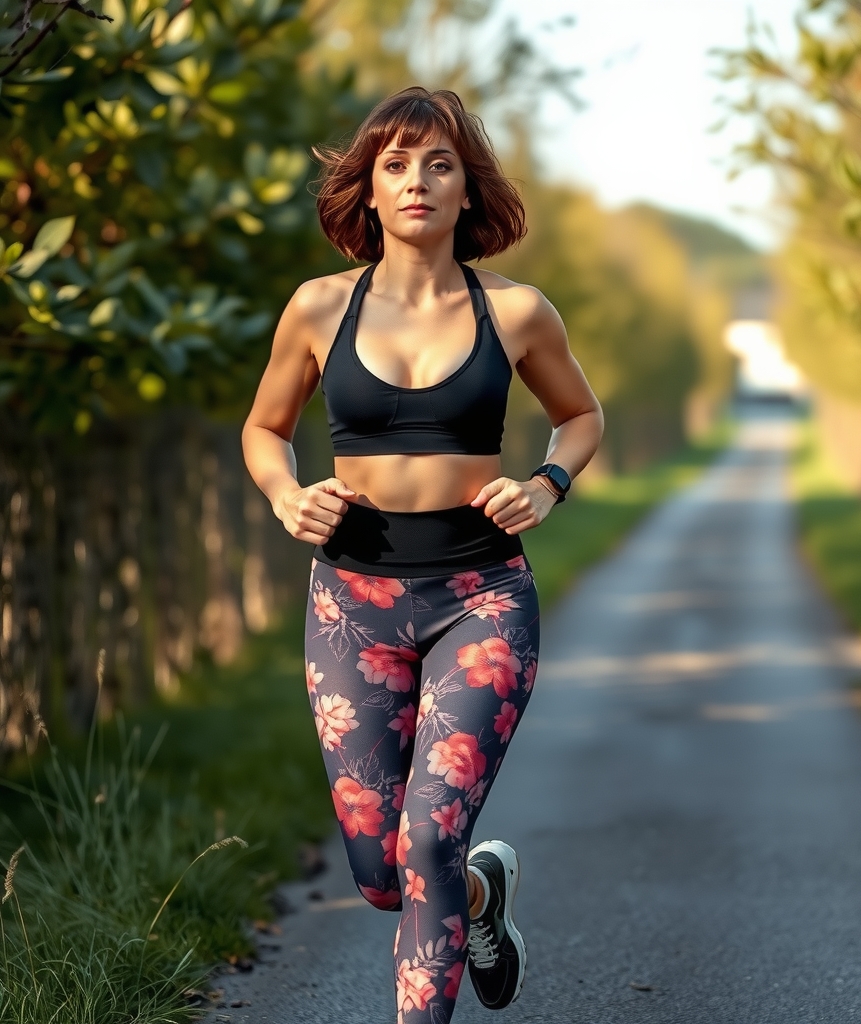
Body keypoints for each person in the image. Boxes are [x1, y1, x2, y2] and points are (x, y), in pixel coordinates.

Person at [241, 86, 603, 1023]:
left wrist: (548, 484)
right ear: (366, 190)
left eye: (439, 164)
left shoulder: (517, 311)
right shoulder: (319, 308)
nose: (416, 182)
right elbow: (264, 428)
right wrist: (287, 494)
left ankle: (449, 911)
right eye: (395, 164)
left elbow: (581, 416)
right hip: (350, 603)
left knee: (428, 844)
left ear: (466, 189)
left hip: (482, 597)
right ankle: (484, 897)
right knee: (379, 870)